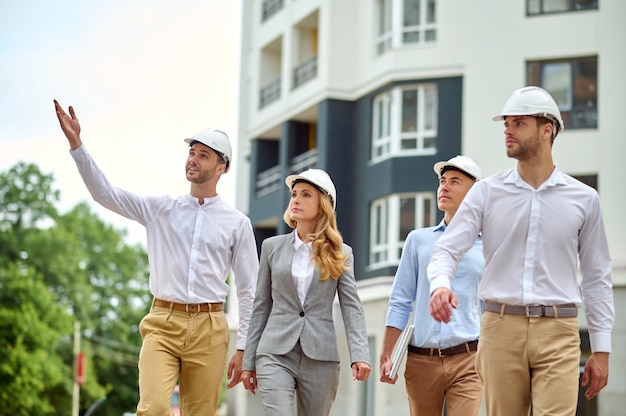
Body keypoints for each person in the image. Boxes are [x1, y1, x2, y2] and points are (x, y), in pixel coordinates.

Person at [53, 100, 259, 416]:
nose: (193, 159)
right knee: (153, 408)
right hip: (163, 322)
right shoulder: (161, 209)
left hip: (210, 327)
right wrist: (77, 146)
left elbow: (249, 291)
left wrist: (244, 347)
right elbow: (105, 194)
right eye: (192, 152)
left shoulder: (237, 223)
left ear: (221, 167)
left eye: (203, 155)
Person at [428, 86, 615, 416]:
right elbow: (447, 249)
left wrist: (601, 348)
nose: (508, 131)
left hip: (559, 331)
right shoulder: (486, 193)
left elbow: (597, 276)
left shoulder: (584, 199)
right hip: (500, 328)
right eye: (506, 124)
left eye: (518, 123)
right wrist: (440, 284)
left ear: (547, 130)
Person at [241, 169, 371, 416]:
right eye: (293, 194)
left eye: (306, 195)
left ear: (322, 206)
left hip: (321, 356)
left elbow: (351, 308)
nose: (296, 200)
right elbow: (261, 306)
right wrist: (249, 361)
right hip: (275, 352)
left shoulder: (341, 253)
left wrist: (360, 355)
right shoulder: (271, 248)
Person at [380, 155, 484, 416]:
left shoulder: (489, 245)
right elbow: (401, 300)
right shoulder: (418, 240)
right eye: (442, 181)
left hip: (469, 359)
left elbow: (491, 307)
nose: (444, 187)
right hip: (421, 360)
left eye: (455, 181)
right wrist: (387, 353)